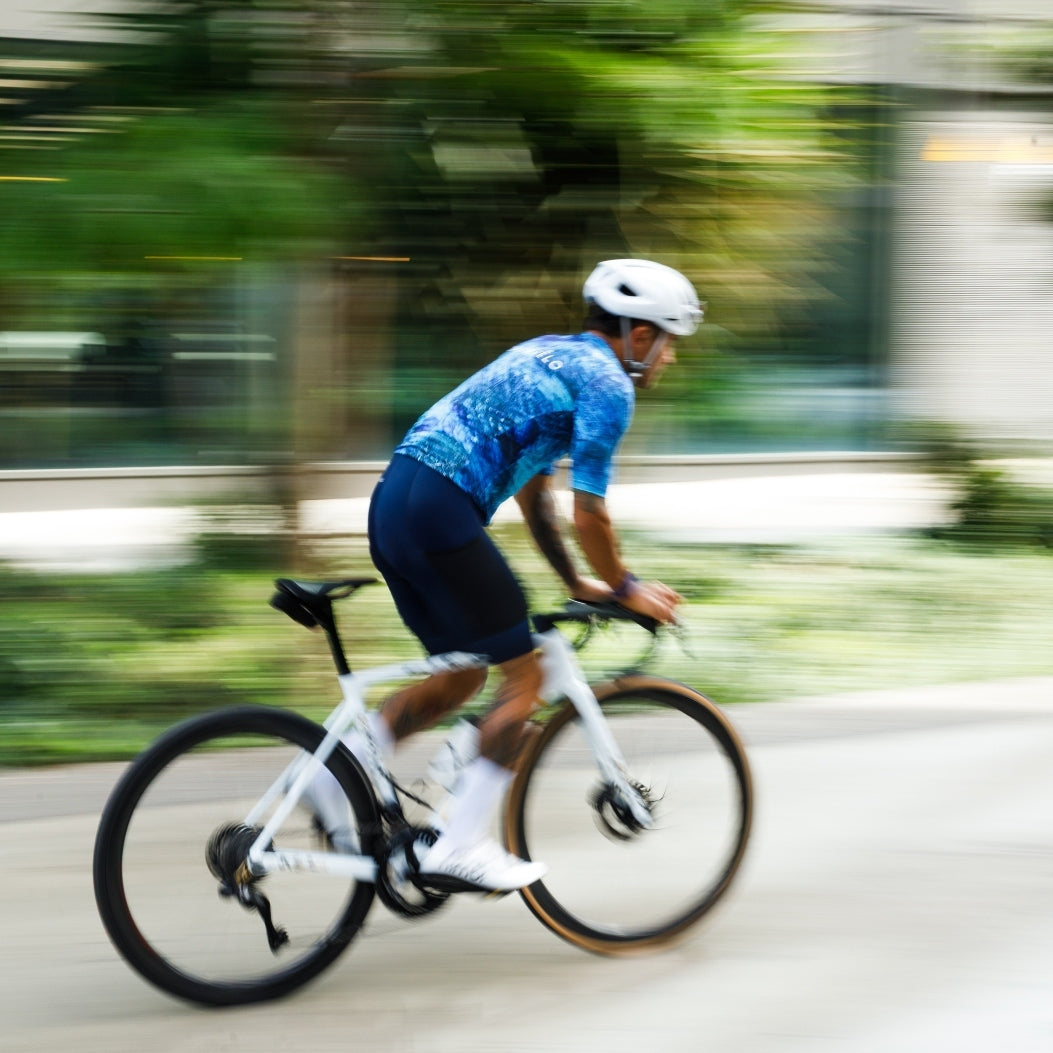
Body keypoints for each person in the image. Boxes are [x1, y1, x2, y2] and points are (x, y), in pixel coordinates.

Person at [305, 258, 703, 893]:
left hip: (394, 507)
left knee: (462, 674)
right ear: (640, 334)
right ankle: (460, 845)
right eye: (669, 342)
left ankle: (337, 776)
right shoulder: (608, 383)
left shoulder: (547, 355)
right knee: (527, 673)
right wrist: (627, 587)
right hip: (440, 510)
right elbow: (589, 510)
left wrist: (577, 583)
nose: (669, 360)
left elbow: (534, 498)